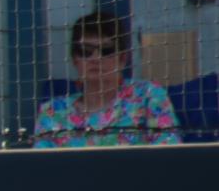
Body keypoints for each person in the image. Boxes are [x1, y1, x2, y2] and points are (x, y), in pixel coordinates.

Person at [33, 10, 181, 148]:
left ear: (123, 58)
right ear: (75, 59)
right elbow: (42, 169)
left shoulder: (148, 96)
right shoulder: (53, 113)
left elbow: (169, 153)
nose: (96, 58)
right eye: (86, 51)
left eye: (107, 50)